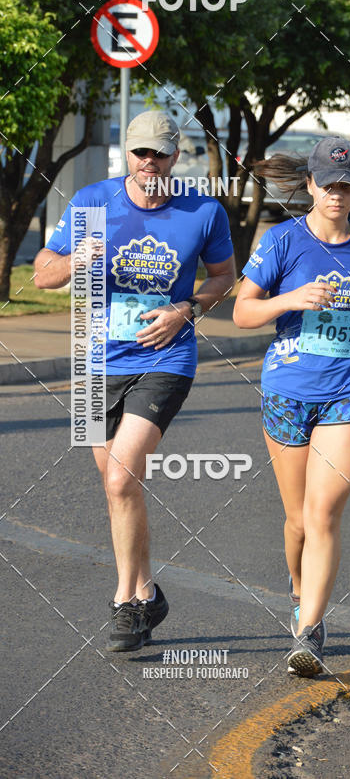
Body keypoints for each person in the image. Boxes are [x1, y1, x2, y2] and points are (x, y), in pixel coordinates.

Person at [34, 110, 235, 650]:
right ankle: (148, 592)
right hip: (93, 360)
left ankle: (125, 602)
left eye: (160, 154)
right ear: (128, 153)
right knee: (118, 487)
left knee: (123, 478)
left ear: (176, 155)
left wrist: (186, 310)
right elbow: (42, 273)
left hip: (165, 360)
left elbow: (225, 277)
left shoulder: (202, 211)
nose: (150, 163)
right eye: (141, 153)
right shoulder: (92, 202)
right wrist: (79, 257)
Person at [233, 137, 350, 676]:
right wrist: (292, 300)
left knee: (325, 513)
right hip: (287, 391)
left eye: (347, 186)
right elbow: (243, 313)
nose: (338, 195)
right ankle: (301, 596)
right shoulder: (283, 240)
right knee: (298, 519)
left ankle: (308, 631)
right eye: (328, 186)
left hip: (349, 389)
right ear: (310, 186)